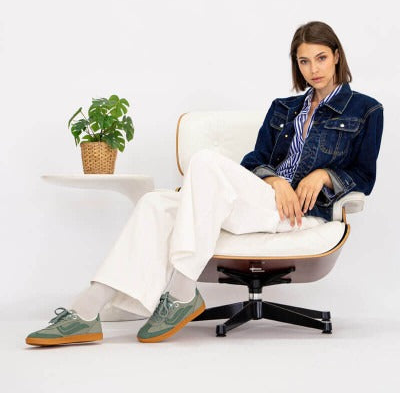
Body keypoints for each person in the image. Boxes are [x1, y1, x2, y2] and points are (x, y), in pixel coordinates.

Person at [25, 20, 384, 346]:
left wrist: (324, 175)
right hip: (264, 200)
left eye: (321, 58)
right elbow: (254, 161)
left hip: (299, 213)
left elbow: (364, 176)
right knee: (154, 203)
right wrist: (275, 180)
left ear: (336, 56)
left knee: (204, 161)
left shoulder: (366, 110)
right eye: (304, 61)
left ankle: (182, 292)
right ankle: (87, 311)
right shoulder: (284, 108)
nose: (313, 69)